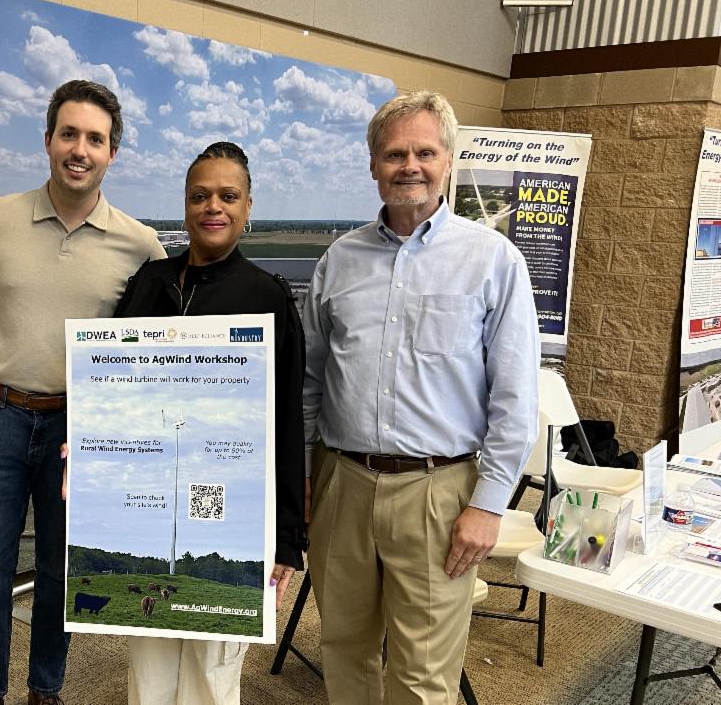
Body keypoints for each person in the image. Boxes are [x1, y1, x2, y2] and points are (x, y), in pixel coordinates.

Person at [0, 79, 165, 705]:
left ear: (113, 153)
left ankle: (45, 690)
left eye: (95, 138)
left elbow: (163, 341)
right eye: (69, 134)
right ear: (48, 140)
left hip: (79, 433)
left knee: (61, 574)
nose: (80, 149)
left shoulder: (139, 245)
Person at [302, 90, 539, 704]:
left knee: (424, 675)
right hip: (342, 484)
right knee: (344, 651)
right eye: (393, 153)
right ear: (373, 165)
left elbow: (514, 400)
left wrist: (488, 505)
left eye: (424, 152)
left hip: (440, 493)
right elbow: (310, 380)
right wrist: (304, 474)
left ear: (449, 161)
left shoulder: (493, 262)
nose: (409, 165)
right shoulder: (338, 261)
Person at [112, 141, 307, 705]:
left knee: (211, 670)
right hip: (149, 504)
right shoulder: (149, 283)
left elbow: (286, 420)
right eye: (200, 196)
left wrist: (287, 539)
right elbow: (113, 387)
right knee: (148, 662)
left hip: (231, 511)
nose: (212, 207)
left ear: (248, 206)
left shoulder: (266, 296)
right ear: (185, 205)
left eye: (228, 195)